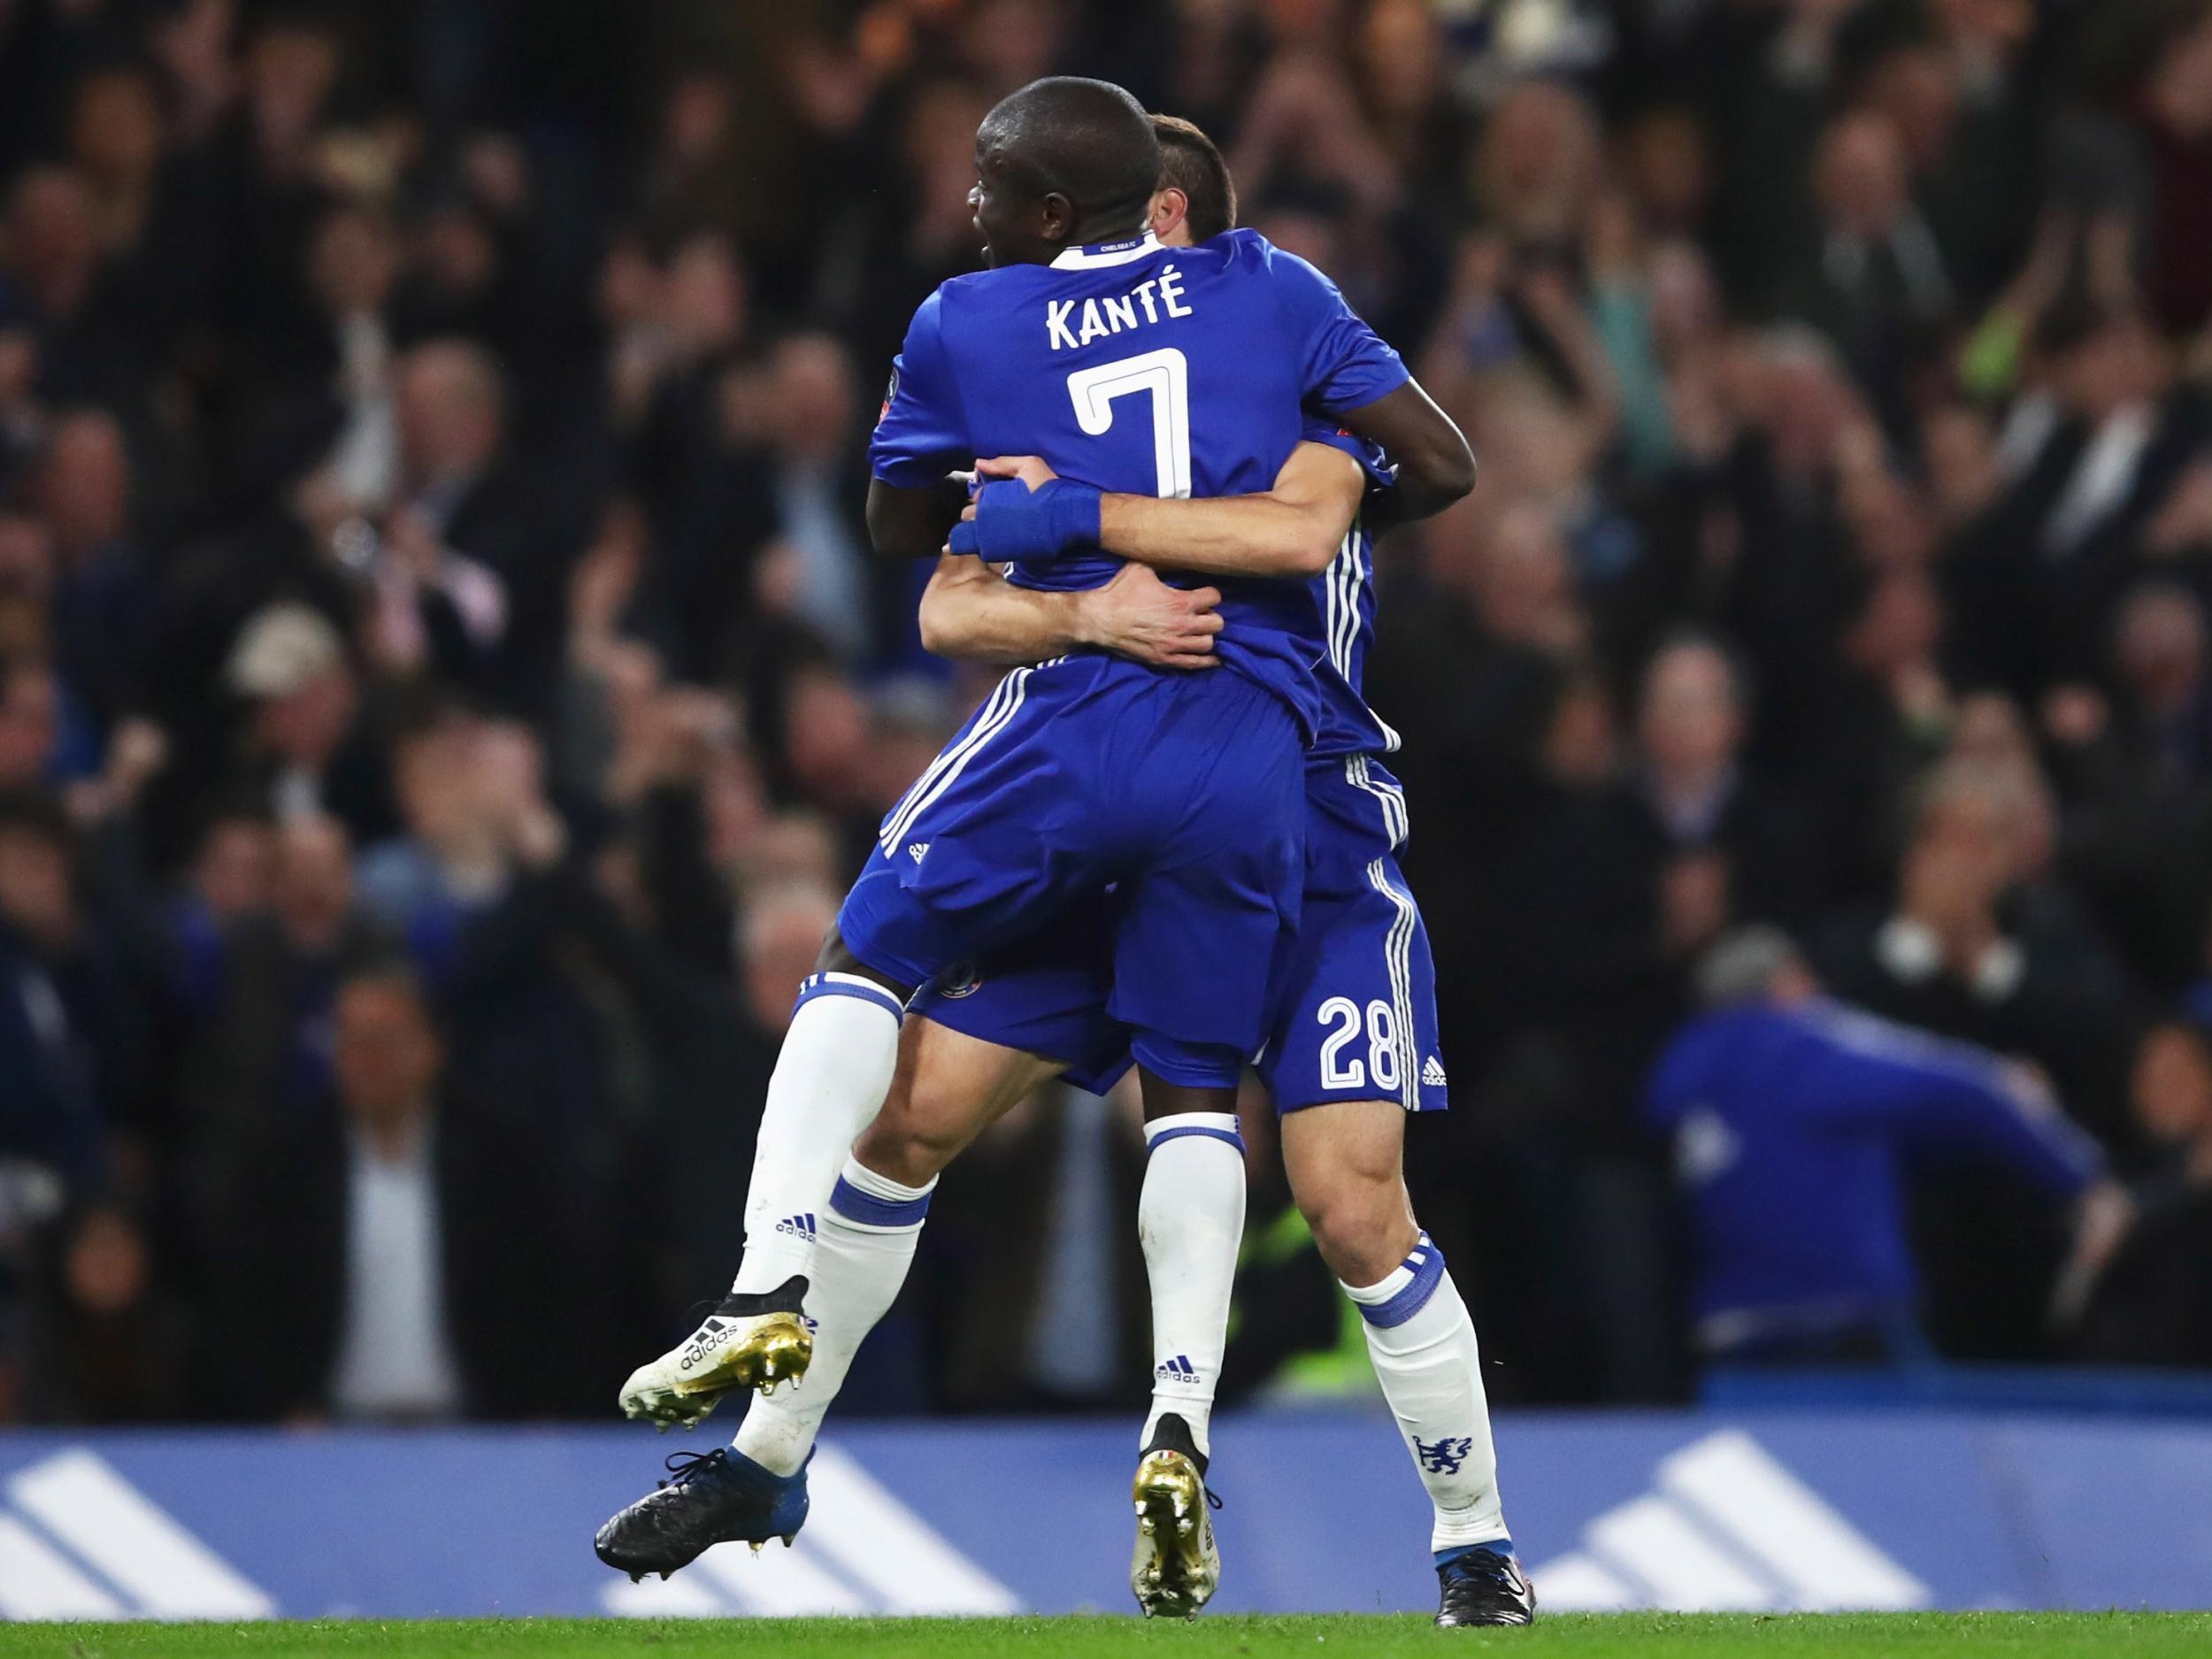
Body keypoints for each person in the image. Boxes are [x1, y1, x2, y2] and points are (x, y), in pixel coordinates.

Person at [598, 107, 1525, 1629]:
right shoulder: (1101, 372)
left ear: (1168, 231)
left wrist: (1071, 516)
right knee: (911, 1114)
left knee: (1352, 1200)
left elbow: (1295, 537)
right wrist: (1075, 600)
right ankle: (768, 1456)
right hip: (1144, 823)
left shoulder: (1304, 406)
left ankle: (1474, 1542)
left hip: (1323, 837)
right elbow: (950, 607)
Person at [1645, 927, 2115, 1365]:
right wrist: (2082, 1178)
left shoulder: (1680, 1070)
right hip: (1841, 1326)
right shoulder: (1805, 1043)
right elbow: (1975, 1086)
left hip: (1728, 1337)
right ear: (1788, 982)